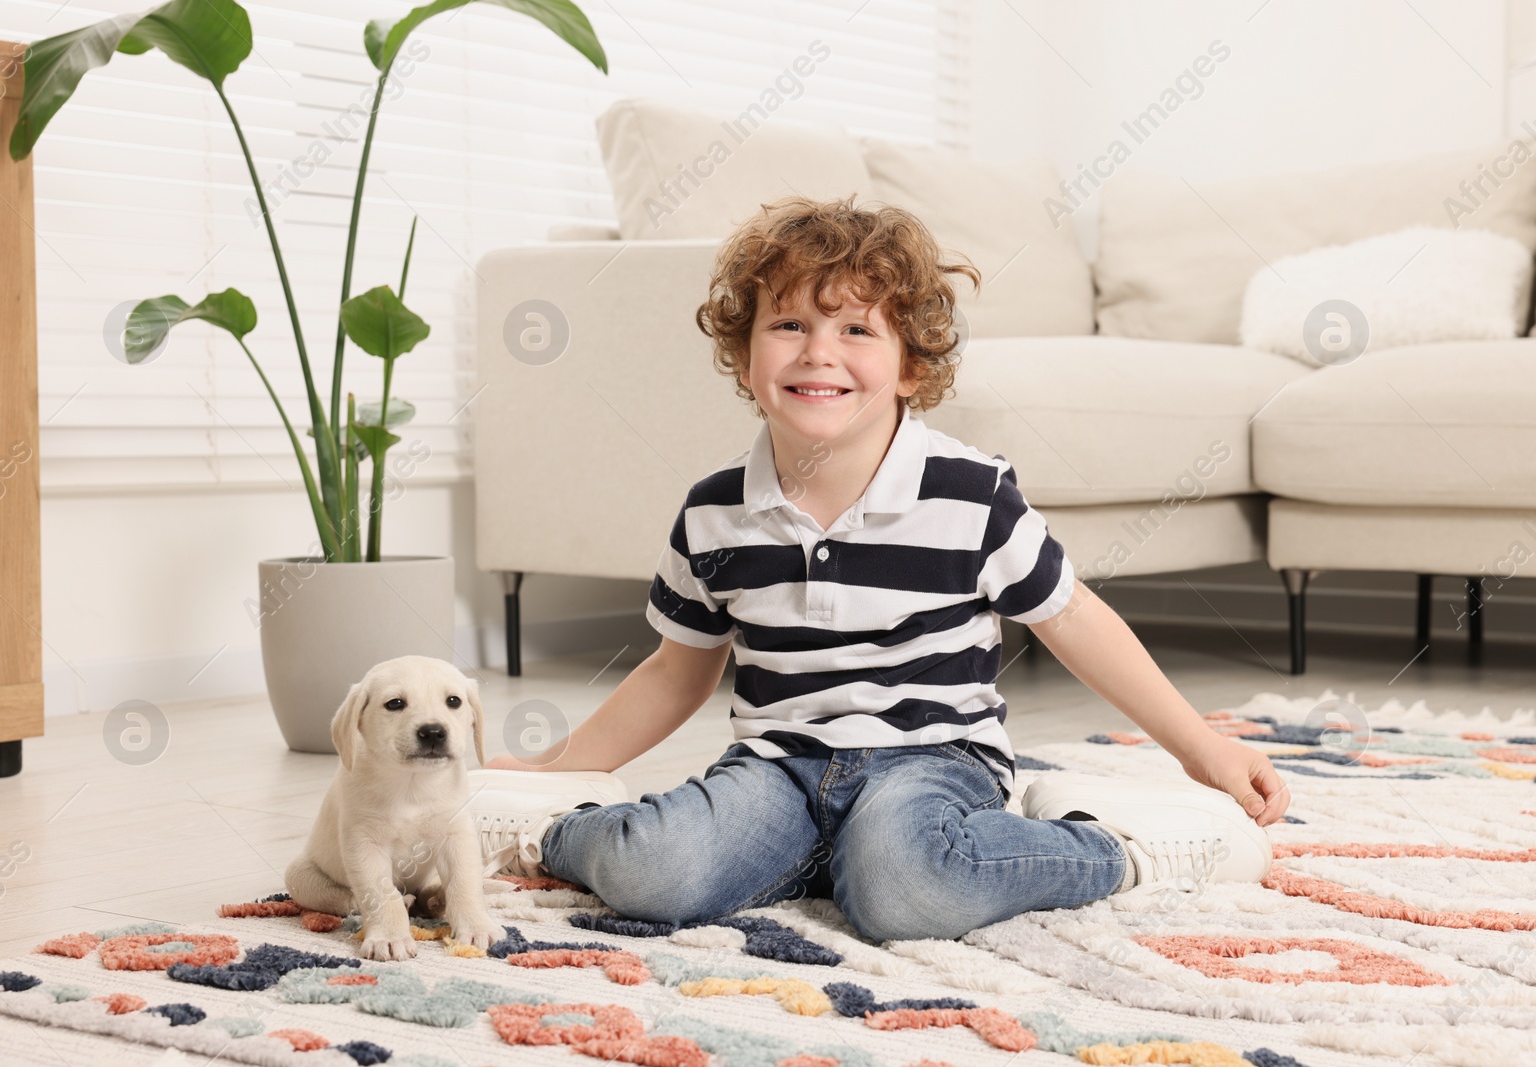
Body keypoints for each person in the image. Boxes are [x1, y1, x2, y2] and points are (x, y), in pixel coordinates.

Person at [472, 195, 1289, 943]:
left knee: (904, 893)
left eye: (856, 330)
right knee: (653, 872)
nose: (818, 352)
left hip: (934, 759)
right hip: (777, 769)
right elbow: (674, 674)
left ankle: (1119, 848)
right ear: (745, 355)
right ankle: (550, 827)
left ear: (909, 366)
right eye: (787, 325)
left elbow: (1073, 620)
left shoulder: (971, 493)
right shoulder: (714, 509)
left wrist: (1201, 749)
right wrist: (556, 770)